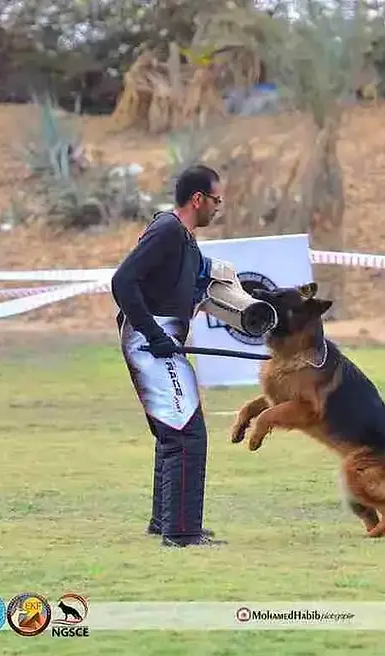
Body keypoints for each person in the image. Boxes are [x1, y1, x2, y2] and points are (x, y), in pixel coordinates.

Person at [111, 164, 226, 548]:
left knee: (173, 430)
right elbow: (122, 281)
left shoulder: (186, 241)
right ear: (198, 199)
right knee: (185, 433)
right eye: (216, 200)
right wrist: (153, 333)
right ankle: (181, 533)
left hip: (163, 339)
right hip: (151, 341)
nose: (218, 208)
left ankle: (166, 522)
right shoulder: (167, 231)